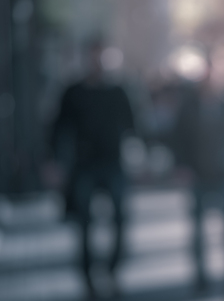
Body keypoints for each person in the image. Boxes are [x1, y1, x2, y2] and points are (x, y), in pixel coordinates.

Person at [52, 39, 134, 299]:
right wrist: (54, 162)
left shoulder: (118, 91)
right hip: (84, 166)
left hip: (113, 164)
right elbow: (58, 128)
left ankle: (112, 270)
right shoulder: (74, 92)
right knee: (84, 225)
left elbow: (132, 126)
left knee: (121, 219)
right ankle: (88, 279)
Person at [174, 48, 224, 298]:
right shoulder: (190, 103)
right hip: (199, 174)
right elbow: (179, 138)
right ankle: (200, 278)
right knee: (198, 232)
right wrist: (182, 166)